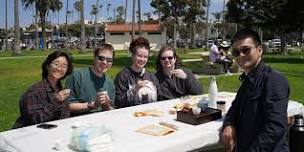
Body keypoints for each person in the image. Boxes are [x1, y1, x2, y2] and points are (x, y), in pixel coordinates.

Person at [220, 29, 290, 152]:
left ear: (259, 50)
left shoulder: (273, 80)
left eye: (246, 50)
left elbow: (275, 127)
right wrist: (229, 125)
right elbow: (235, 108)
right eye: (236, 52)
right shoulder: (248, 79)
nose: (241, 55)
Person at [13, 51, 73, 128]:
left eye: (64, 66)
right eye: (56, 64)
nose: (59, 68)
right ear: (48, 66)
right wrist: (56, 101)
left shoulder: (60, 89)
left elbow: (65, 114)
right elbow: (34, 122)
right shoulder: (34, 92)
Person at [65, 44, 115, 116]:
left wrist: (106, 105)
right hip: (79, 122)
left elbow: (111, 109)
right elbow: (66, 106)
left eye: (109, 60)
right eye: (101, 58)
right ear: (94, 57)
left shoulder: (110, 83)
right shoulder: (77, 76)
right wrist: (92, 105)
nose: (105, 62)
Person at [115, 37, 159, 108]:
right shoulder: (123, 76)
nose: (142, 59)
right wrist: (134, 89)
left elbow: (159, 98)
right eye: (139, 56)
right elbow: (118, 102)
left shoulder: (151, 76)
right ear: (132, 55)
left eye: (145, 57)